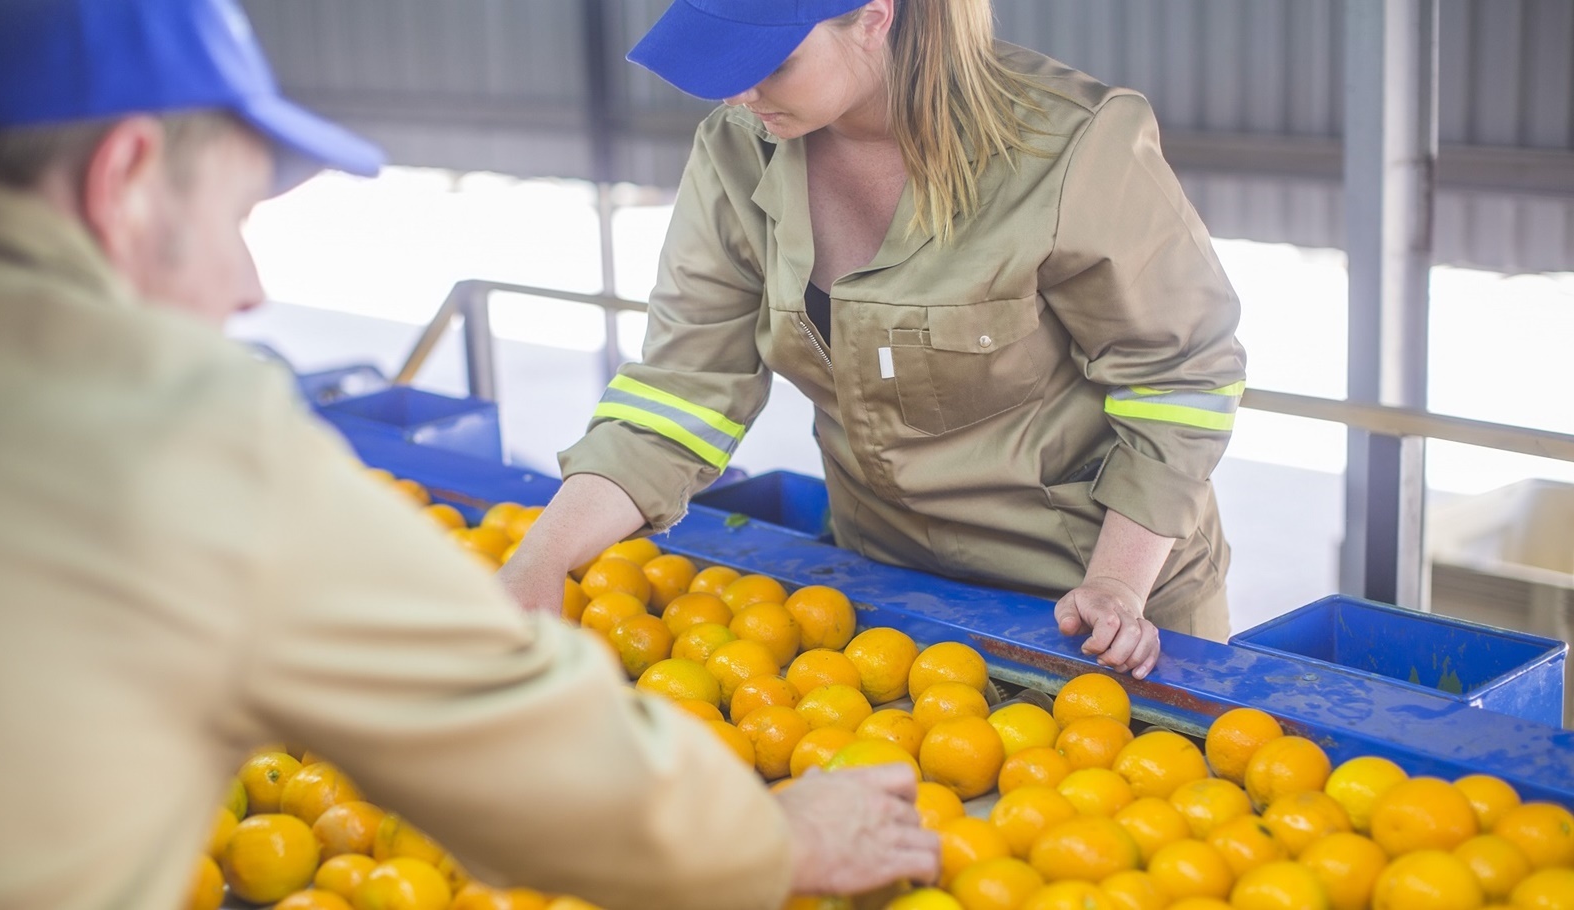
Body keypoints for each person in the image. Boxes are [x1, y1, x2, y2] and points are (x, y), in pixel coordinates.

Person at [0, 2, 937, 909]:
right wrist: (770, 833)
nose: (249, 286)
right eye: (231, 218)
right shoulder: (154, 431)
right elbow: (498, 734)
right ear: (121, 177)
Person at [501, 0, 1247, 679]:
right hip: (888, 594)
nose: (739, 93)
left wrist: (1116, 583)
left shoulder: (1067, 147)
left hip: (1095, 602)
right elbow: (681, 388)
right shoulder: (738, 151)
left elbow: (1181, 378)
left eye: (772, 63)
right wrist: (540, 558)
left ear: (873, 18)